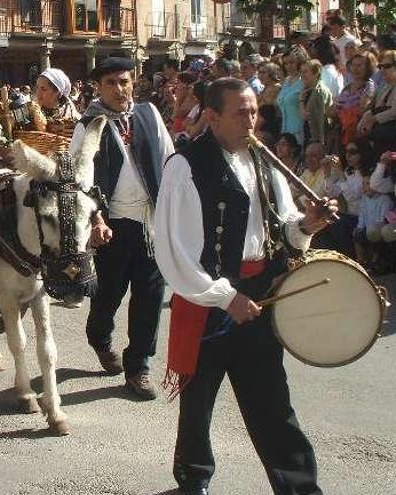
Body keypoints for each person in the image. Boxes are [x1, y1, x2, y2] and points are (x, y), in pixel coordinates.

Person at [154, 77, 336, 495]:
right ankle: (194, 480)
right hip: (209, 300)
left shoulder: (264, 160)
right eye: (241, 113)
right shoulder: (184, 166)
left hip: (260, 294)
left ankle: (299, 487)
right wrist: (224, 296)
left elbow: (283, 228)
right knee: (197, 402)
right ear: (212, 117)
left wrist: (308, 225)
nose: (251, 121)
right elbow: (173, 251)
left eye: (254, 111)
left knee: (272, 400)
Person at [71, 57, 175, 400]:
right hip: (112, 225)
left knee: (149, 296)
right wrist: (95, 220)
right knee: (109, 294)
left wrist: (173, 211)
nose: (120, 89)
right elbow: (80, 179)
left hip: (150, 223)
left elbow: (169, 160)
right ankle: (99, 336)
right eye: (112, 83)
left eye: (125, 81)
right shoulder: (88, 124)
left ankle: (138, 367)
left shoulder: (149, 115)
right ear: (98, 88)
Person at [333, 52, 377, 147]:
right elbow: (336, 108)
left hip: (356, 134)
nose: (355, 69)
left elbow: (362, 109)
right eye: (353, 65)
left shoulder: (369, 86)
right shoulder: (347, 86)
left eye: (359, 65)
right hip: (341, 130)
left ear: (367, 67)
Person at [354, 173, 393, 268]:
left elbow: (382, 219)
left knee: (373, 232)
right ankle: (360, 260)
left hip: (379, 228)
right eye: (363, 184)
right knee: (357, 233)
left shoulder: (385, 199)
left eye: (368, 183)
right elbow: (362, 215)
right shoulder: (364, 199)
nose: (365, 187)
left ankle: (375, 261)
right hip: (368, 228)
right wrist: (359, 227)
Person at [299, 60, 334, 148]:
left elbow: (317, 118)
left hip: (317, 139)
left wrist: (301, 101)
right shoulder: (307, 91)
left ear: (316, 73)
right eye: (301, 72)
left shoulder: (319, 91)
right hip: (309, 136)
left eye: (305, 72)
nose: (302, 75)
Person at [278, 48, 308, 144]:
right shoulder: (286, 80)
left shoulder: (304, 81)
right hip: (284, 130)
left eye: (292, 62)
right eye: (286, 64)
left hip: (299, 131)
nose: (288, 66)